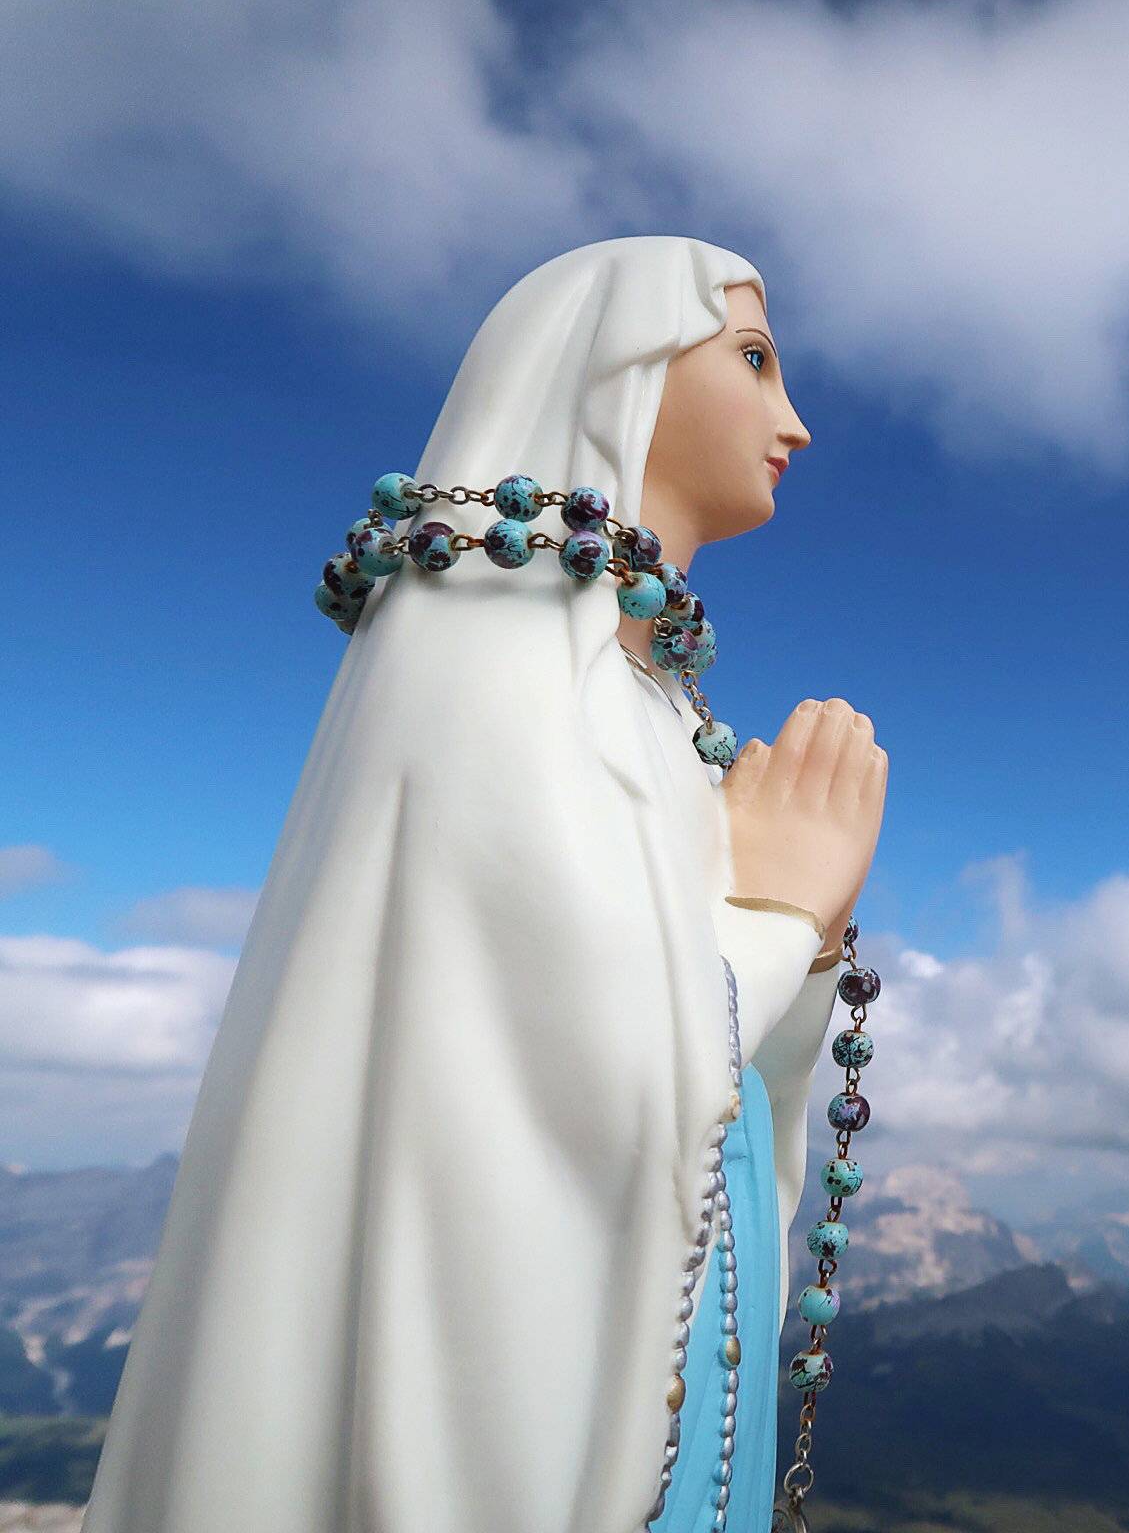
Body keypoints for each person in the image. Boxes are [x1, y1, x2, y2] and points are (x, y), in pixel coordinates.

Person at [78, 237, 888, 1533]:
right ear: (616, 366)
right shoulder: (490, 657)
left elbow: (696, 1075)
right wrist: (776, 913)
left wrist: (799, 950)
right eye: (753, 358)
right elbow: (547, 1073)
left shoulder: (657, 709)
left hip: (668, 1394)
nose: (793, 419)